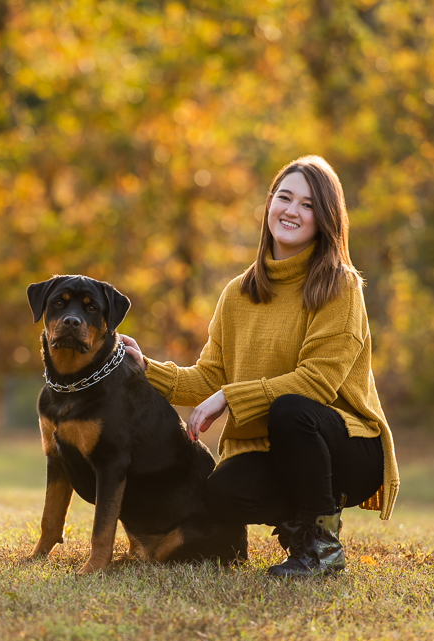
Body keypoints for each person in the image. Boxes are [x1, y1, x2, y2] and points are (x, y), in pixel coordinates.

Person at [120, 155, 399, 578]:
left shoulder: (339, 286)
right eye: (284, 198)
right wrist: (146, 368)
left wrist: (228, 398)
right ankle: (302, 529)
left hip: (348, 449)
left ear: (325, 218)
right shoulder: (238, 293)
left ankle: (322, 547)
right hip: (281, 451)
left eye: (307, 205)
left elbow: (317, 383)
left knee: (290, 408)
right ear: (269, 204)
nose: (292, 210)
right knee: (223, 491)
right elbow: (210, 377)